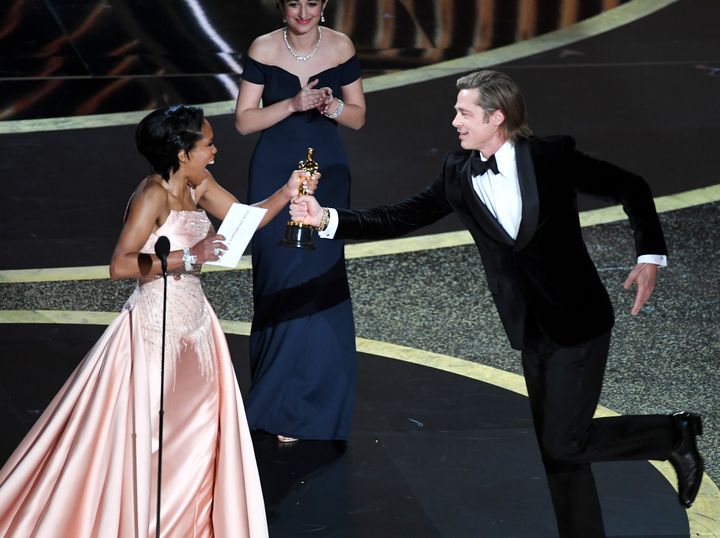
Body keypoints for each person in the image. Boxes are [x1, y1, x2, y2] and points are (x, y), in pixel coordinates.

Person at [290, 70, 704, 537]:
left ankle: (672, 434)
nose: (455, 122)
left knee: (565, 442)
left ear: (497, 117)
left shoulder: (550, 156)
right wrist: (326, 218)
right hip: (529, 327)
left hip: (578, 319)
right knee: (557, 451)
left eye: (464, 113)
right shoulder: (457, 172)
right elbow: (398, 216)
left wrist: (649, 255)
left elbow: (631, 185)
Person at [0, 104, 317, 537]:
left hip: (197, 327)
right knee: (151, 432)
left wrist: (287, 190)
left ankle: (185, 522)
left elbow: (244, 222)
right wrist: (191, 255)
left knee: (199, 429)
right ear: (182, 152)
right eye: (207, 144)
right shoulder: (151, 194)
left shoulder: (199, 182)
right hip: (155, 330)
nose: (215, 150)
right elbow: (120, 265)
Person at [234, 0, 366, 442]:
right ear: (283, 6)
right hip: (274, 167)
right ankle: (274, 404)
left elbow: (359, 116)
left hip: (328, 170)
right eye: (295, 3)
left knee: (317, 276)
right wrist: (292, 103)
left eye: (312, 3)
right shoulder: (264, 48)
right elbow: (244, 122)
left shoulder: (342, 47)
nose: (303, 12)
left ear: (324, 5)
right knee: (278, 275)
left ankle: (314, 410)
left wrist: (330, 109)